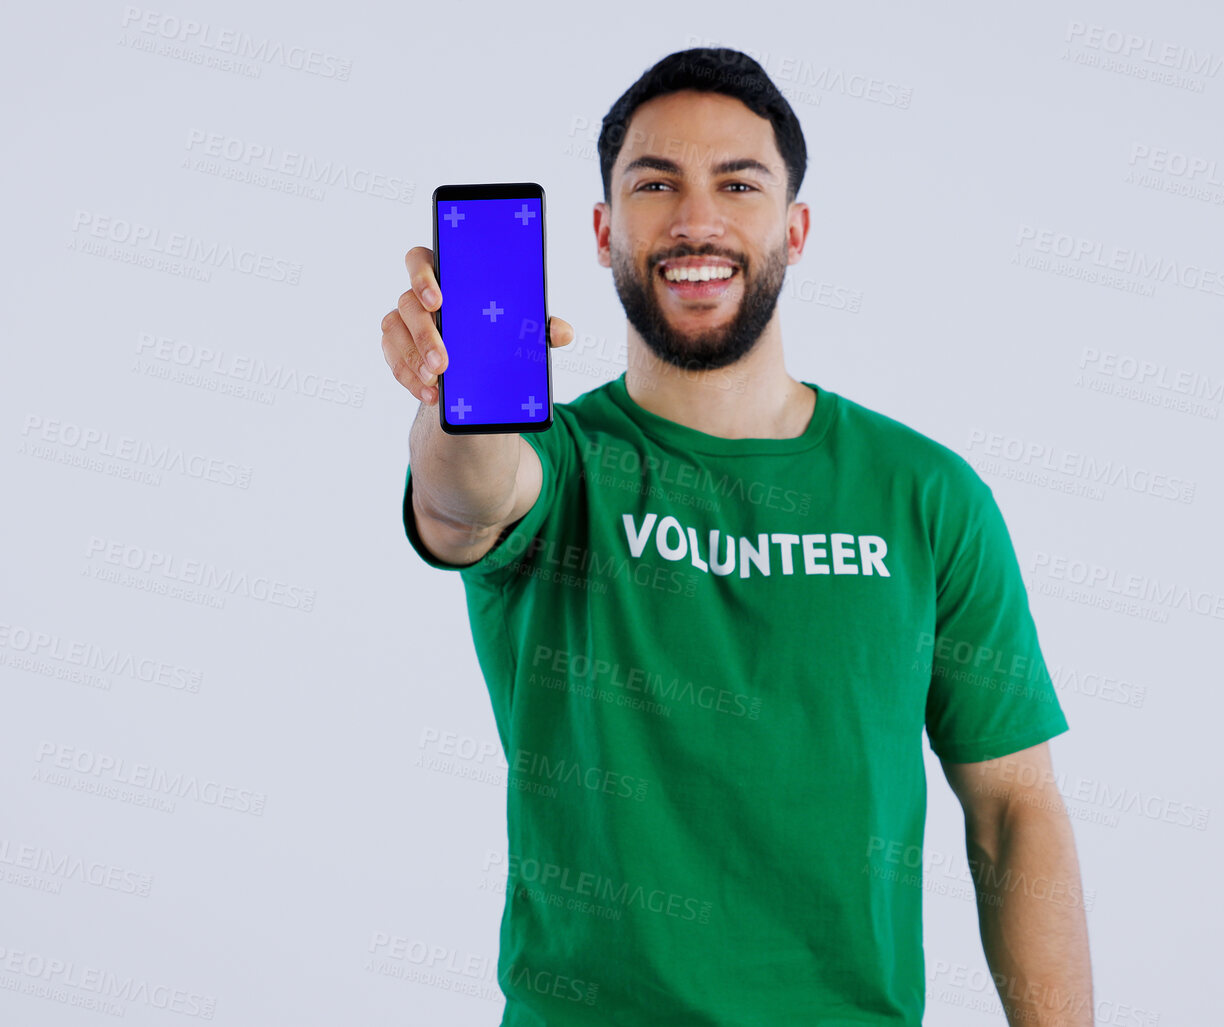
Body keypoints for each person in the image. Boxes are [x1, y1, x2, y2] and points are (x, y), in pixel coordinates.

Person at [382, 47, 1093, 1027]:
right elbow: (468, 492)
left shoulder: (927, 495)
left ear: (795, 229)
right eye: (654, 183)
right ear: (600, 230)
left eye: (738, 183)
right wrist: (455, 396)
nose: (695, 218)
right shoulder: (559, 468)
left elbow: (1014, 811)